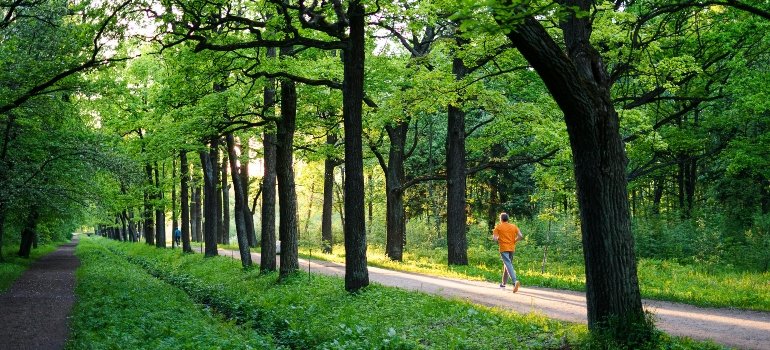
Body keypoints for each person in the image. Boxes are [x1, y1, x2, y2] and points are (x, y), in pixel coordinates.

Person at [493, 212, 524, 293]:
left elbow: (495, 238)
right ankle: (503, 284)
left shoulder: (498, 227)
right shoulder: (513, 226)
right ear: (507, 219)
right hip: (512, 248)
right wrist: (514, 241)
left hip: (503, 248)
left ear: (500, 219)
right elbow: (520, 236)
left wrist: (498, 238)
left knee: (508, 264)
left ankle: (514, 282)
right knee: (507, 265)